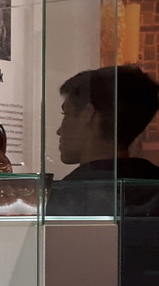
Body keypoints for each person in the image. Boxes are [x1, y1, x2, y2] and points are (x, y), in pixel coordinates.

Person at [49, 63, 159, 216]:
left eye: (66, 114)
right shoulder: (151, 183)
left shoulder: (70, 195)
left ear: (88, 114)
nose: (59, 131)